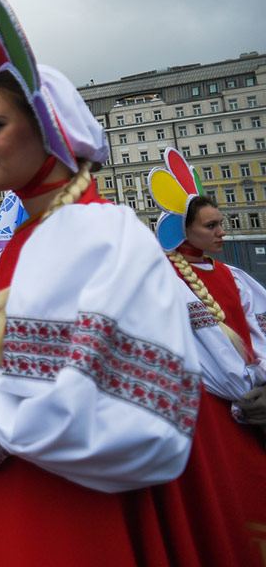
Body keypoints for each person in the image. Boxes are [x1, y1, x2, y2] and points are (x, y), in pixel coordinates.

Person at [0, 0, 203, 565]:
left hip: (64, 519)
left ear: (49, 129)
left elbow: (151, 423)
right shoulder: (25, 241)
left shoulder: (107, 235)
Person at [148, 148, 266, 562]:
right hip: (202, 417)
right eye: (211, 226)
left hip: (253, 412)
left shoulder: (237, 277)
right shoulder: (160, 277)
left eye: (223, 224)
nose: (222, 233)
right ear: (185, 230)